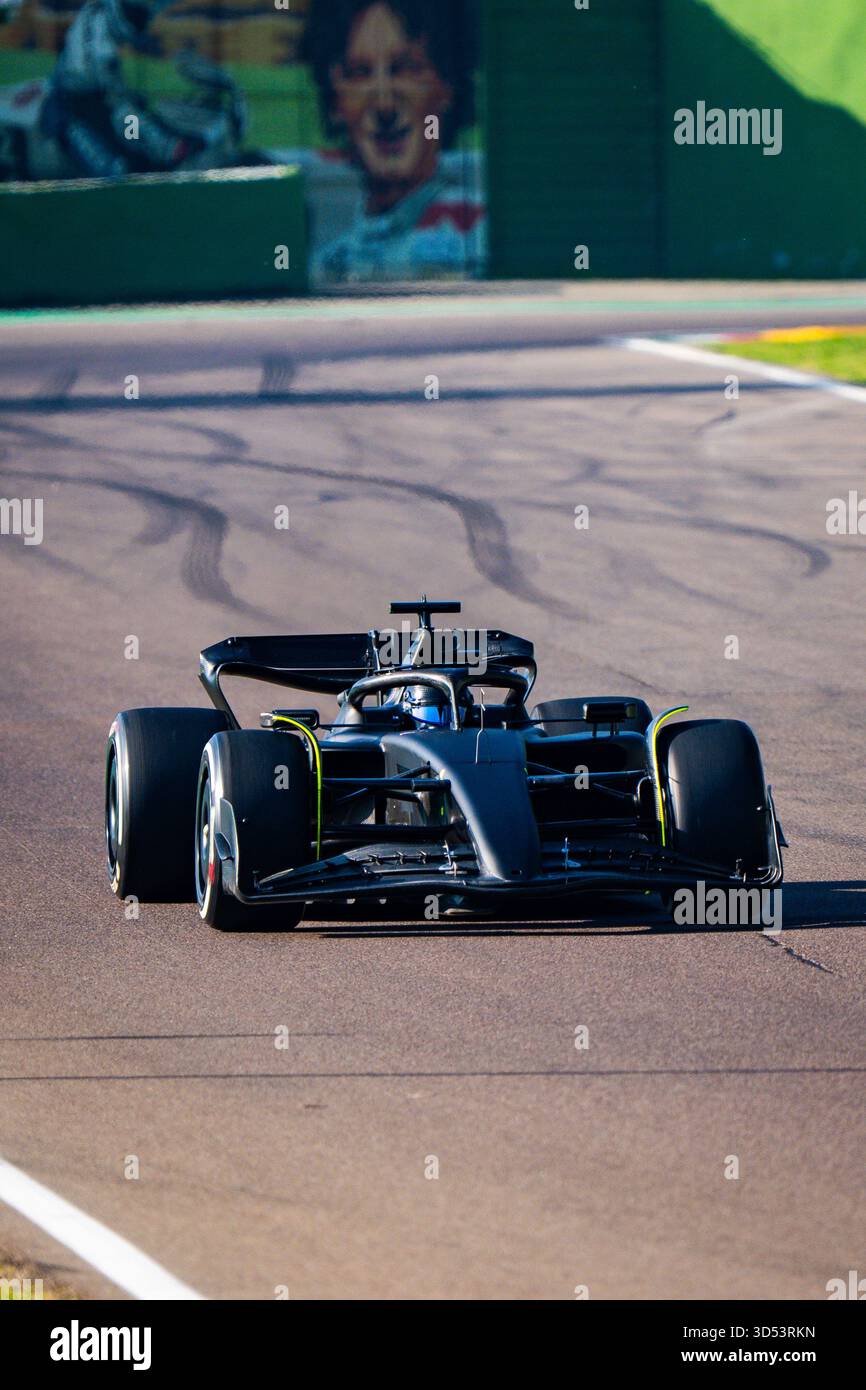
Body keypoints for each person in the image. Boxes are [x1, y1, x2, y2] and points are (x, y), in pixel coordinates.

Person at [302, 0, 486, 283]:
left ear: (446, 86)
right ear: (335, 104)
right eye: (359, 73)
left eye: (405, 69)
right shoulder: (328, 261)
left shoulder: (478, 235)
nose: (385, 105)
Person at [44, 0, 204, 177]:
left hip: (96, 103)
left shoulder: (100, 17)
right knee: (114, 169)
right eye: (137, 14)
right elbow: (98, 76)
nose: (142, 21)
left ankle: (162, 149)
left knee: (128, 120)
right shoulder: (99, 29)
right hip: (72, 111)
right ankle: (163, 148)